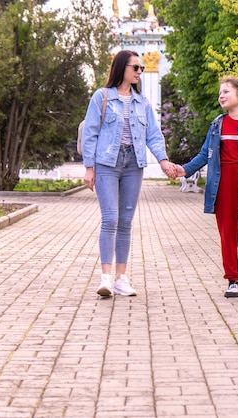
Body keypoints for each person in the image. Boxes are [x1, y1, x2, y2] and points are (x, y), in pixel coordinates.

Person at [81, 50, 176, 297]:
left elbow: (153, 135)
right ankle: (105, 278)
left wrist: (163, 161)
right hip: (106, 164)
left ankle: (121, 278)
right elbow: (90, 133)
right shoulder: (101, 97)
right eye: (135, 67)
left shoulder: (142, 103)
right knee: (110, 218)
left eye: (142, 68)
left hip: (134, 164)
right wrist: (89, 168)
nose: (139, 72)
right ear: (122, 67)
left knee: (125, 221)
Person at [174, 76, 238, 298]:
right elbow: (204, 154)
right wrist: (184, 170)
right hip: (222, 185)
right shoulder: (217, 124)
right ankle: (232, 279)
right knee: (227, 234)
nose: (221, 96)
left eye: (226, 91)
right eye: (220, 92)